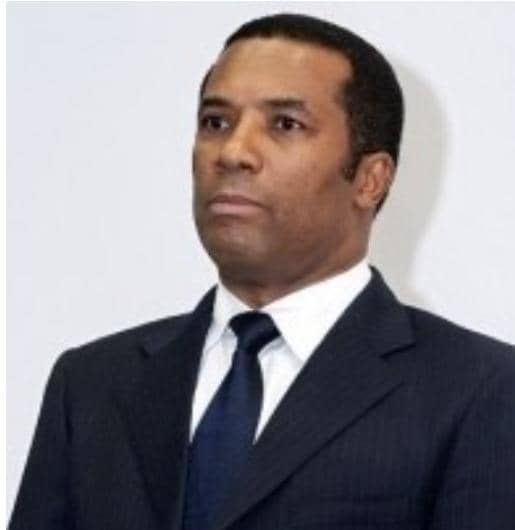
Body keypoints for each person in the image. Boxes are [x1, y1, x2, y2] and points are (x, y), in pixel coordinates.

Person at [9, 12, 515, 530]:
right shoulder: (92, 384)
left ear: (370, 179)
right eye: (216, 122)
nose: (233, 152)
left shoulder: (482, 390)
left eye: (285, 124)